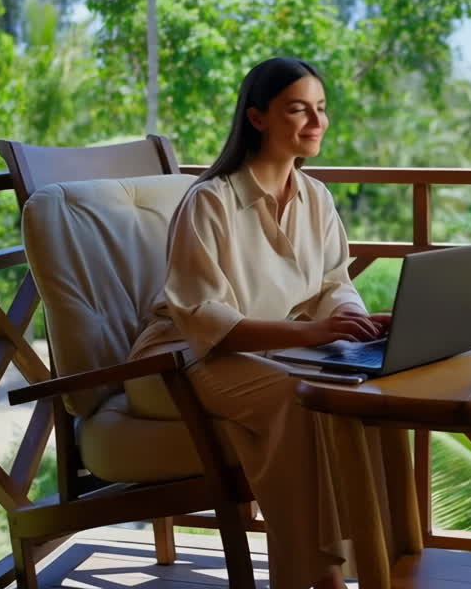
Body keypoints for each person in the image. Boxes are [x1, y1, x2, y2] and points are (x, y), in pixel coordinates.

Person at [130, 57, 390, 588]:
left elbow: (333, 282)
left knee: (368, 392)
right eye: (298, 110)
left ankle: (378, 565)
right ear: (257, 118)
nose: (315, 122)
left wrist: (350, 320)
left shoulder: (315, 197)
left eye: (320, 109)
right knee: (301, 399)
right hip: (182, 358)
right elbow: (206, 319)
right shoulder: (210, 201)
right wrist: (312, 334)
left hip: (266, 350)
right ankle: (314, 577)